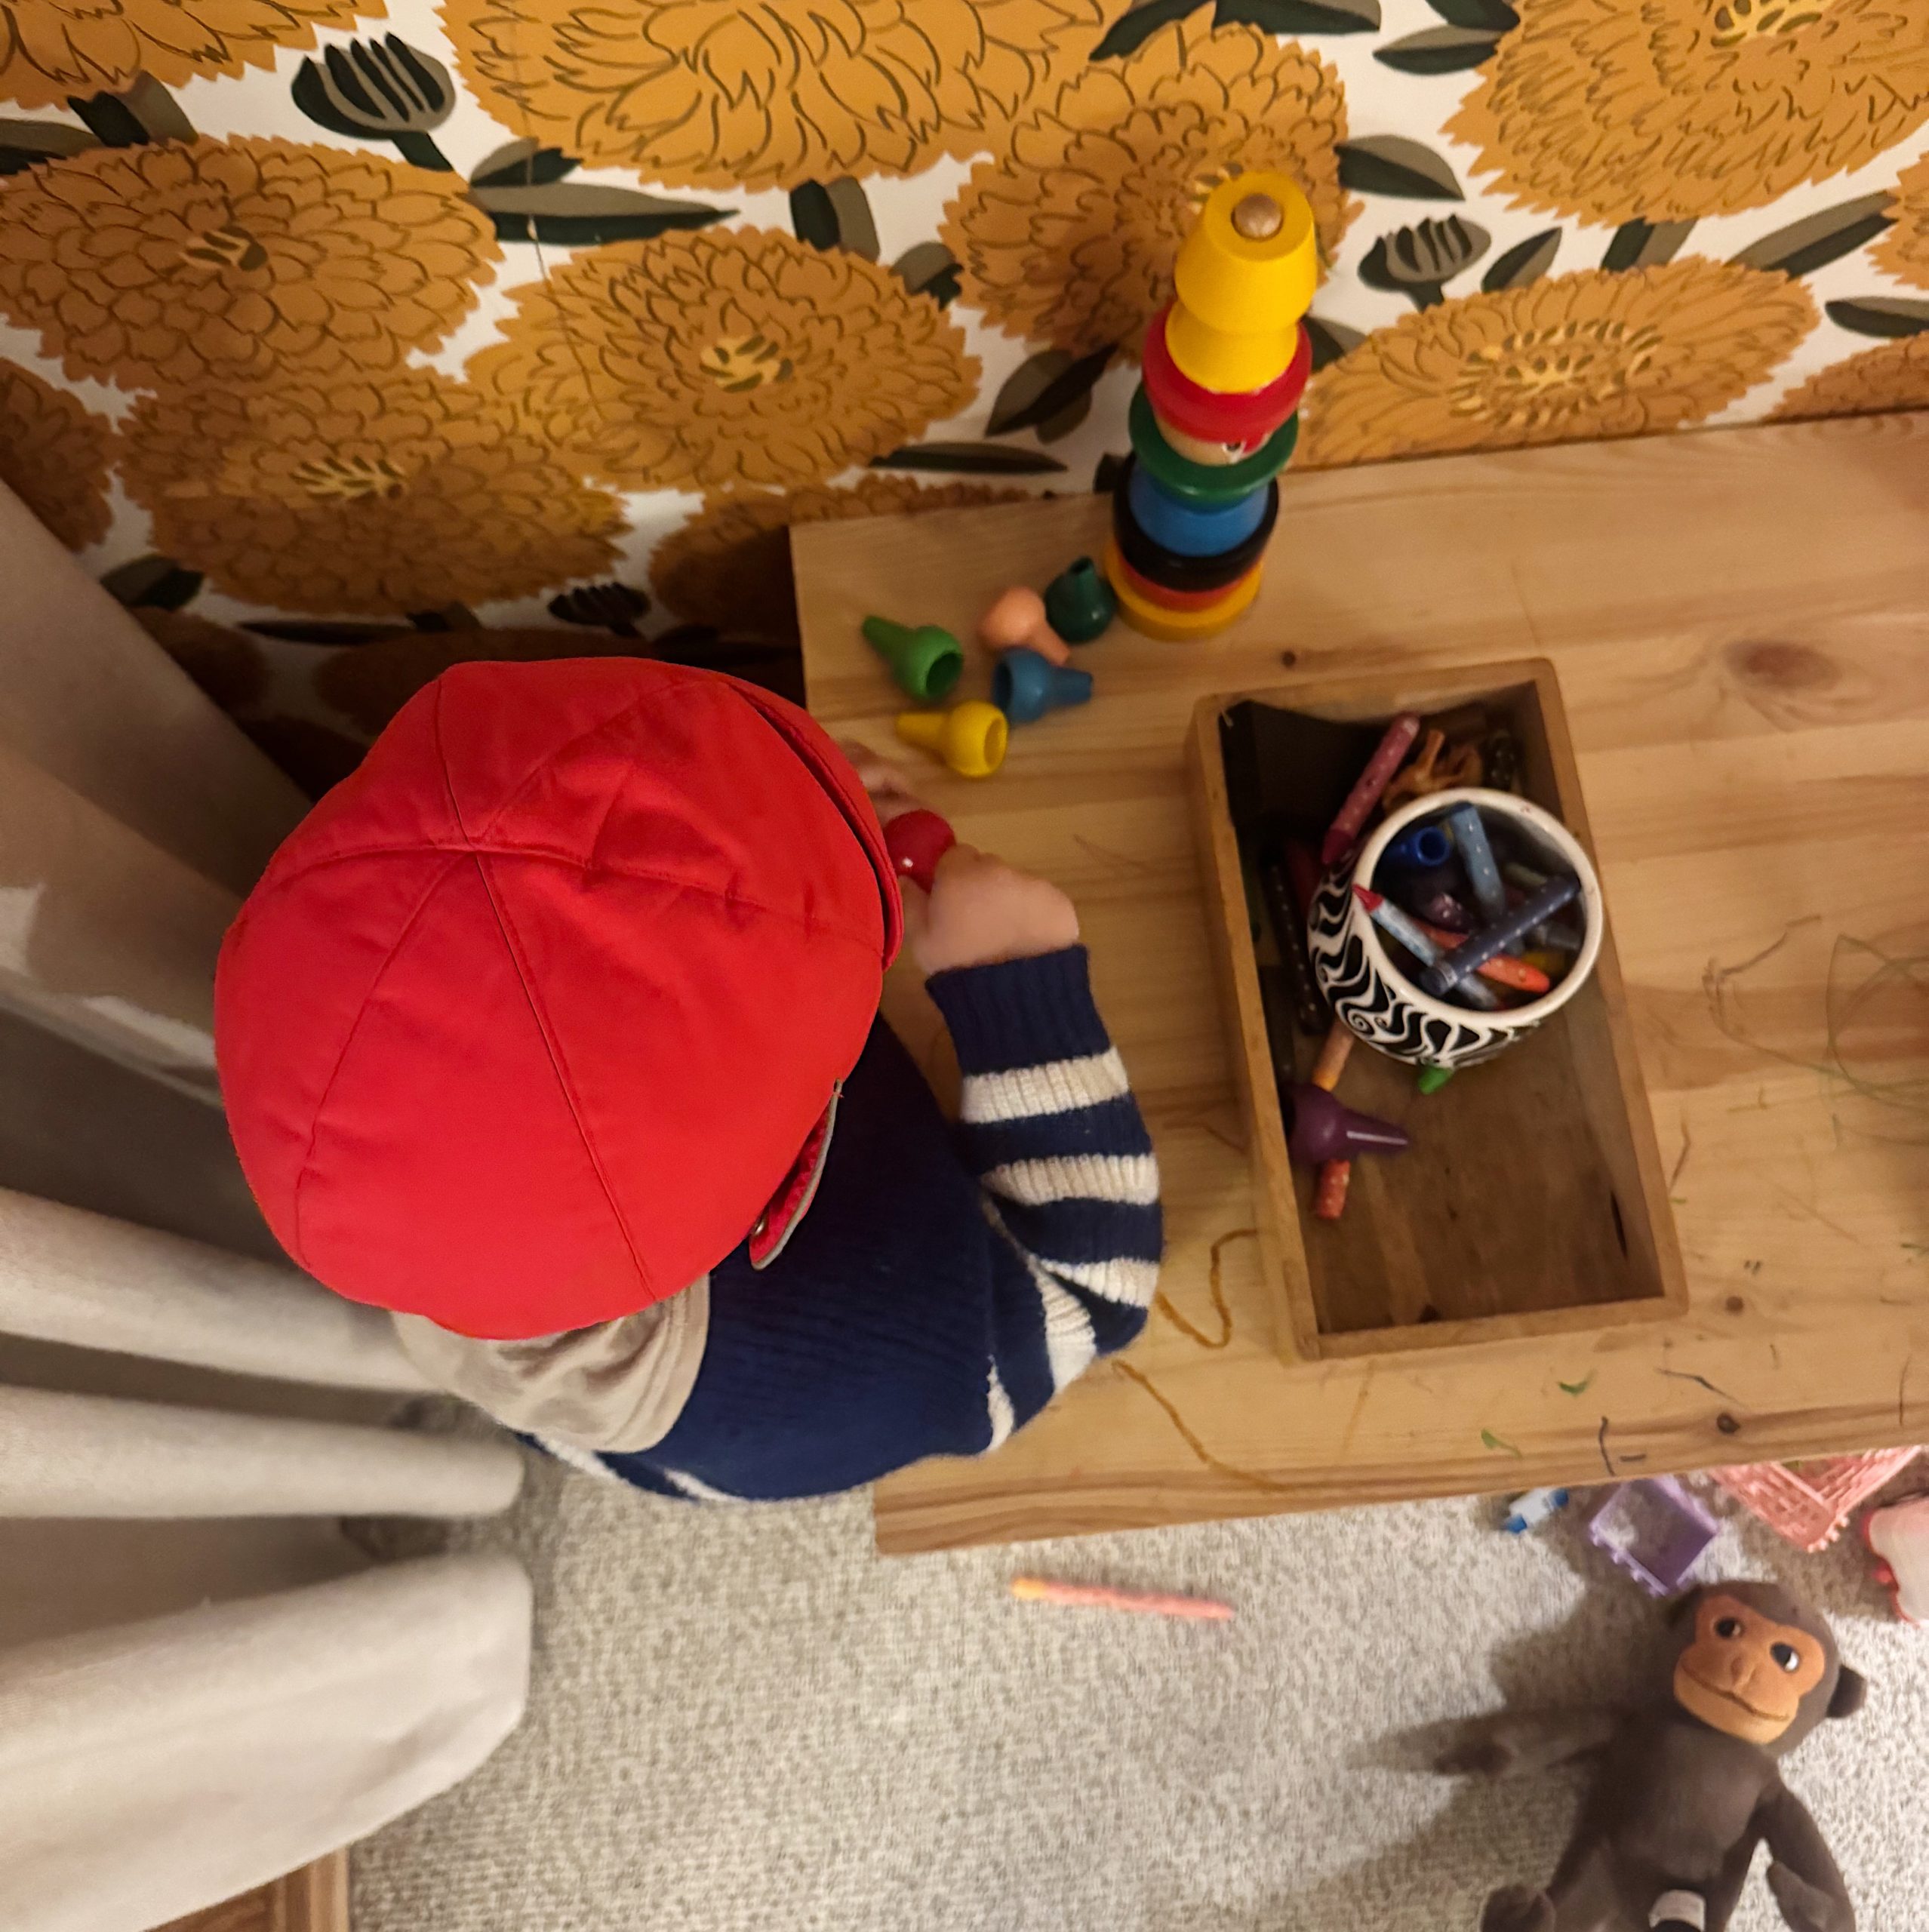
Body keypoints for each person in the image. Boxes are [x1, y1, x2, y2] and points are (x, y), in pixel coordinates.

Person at [216, 657, 1161, 1500]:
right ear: (786, 1194)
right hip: (744, 1410)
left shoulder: (394, 1192)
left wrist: (787, 812)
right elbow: (1089, 1299)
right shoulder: (864, 1354)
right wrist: (1018, 985)